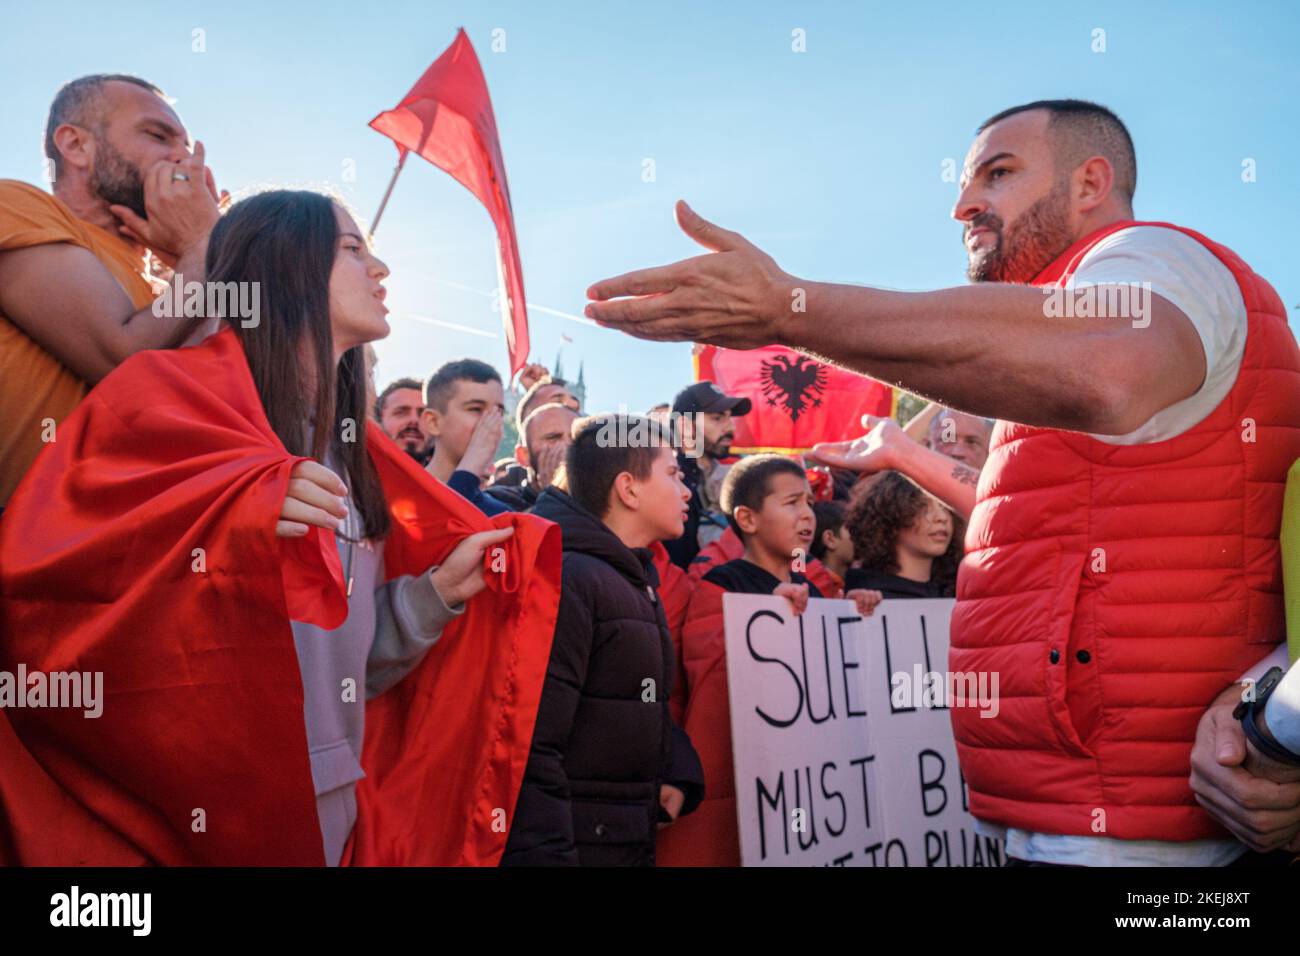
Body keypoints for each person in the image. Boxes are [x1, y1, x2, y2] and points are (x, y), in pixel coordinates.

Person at [585, 99, 1300, 864]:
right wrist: (905, 453)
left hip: (1144, 843)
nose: (963, 204)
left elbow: (1111, 368)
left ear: (1092, 182)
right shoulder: (1044, 349)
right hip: (1068, 811)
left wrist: (788, 308)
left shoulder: (1154, 257)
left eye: (999, 173)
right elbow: (1039, 529)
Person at [0, 190, 561, 865]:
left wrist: (432, 594)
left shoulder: (357, 459)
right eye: (353, 249)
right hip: (185, 825)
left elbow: (345, 671)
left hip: (326, 813)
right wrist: (234, 519)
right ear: (285, 264)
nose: (380, 269)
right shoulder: (156, 392)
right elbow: (48, 597)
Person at [0, 73, 223, 506]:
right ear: (75, 145)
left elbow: (196, 407)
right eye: (159, 136)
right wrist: (205, 246)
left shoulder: (173, 289)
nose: (183, 157)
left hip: (109, 560)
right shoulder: (15, 205)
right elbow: (122, 357)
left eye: (187, 143)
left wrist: (195, 259)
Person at [658, 455, 882, 866]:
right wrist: (765, 624)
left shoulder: (812, 587)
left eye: (810, 503)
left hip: (808, 783)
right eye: (792, 502)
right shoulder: (720, 585)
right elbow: (710, 684)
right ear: (747, 518)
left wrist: (854, 614)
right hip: (747, 784)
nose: (807, 515)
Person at [501, 414, 703, 865]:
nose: (688, 490)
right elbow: (529, 745)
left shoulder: (630, 579)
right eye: (673, 474)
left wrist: (674, 769)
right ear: (628, 489)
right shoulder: (571, 579)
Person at [663, 381, 751, 570]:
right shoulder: (668, 484)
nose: (731, 428)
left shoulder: (737, 479)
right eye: (718, 418)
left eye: (729, 418)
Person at [843, 471, 962, 599]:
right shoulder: (865, 599)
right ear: (892, 515)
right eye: (924, 507)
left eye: (945, 507)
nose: (942, 517)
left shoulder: (960, 592)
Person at [421, 358, 513, 516]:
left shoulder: (504, 516)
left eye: (499, 412)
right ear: (433, 422)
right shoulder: (398, 494)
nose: (492, 423)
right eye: (476, 409)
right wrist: (468, 471)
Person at [485, 401, 579, 512]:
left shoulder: (599, 502)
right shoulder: (498, 500)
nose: (568, 445)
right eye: (553, 438)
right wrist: (554, 492)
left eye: (575, 437)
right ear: (523, 456)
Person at [375, 376, 431, 464]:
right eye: (401, 413)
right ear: (379, 421)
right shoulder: (353, 475)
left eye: (422, 414)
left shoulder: (452, 476)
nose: (414, 420)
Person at [810, 499, 853, 593]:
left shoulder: (853, 588)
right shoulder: (812, 591)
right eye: (852, 529)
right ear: (830, 539)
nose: (861, 536)